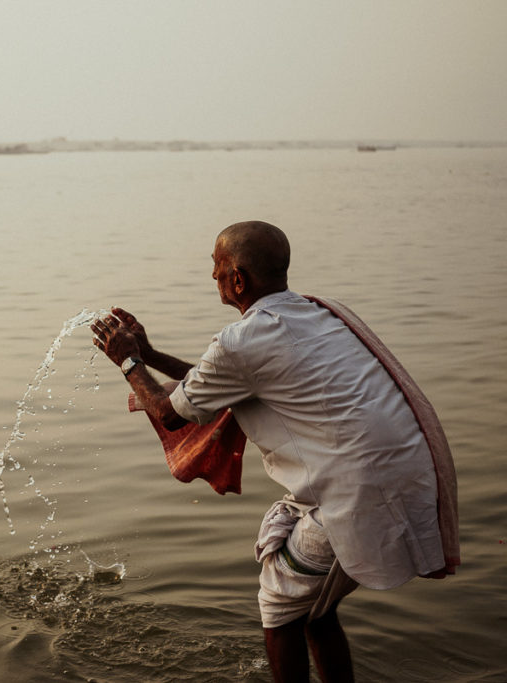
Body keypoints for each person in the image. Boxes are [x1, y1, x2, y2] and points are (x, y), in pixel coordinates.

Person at [90, 221, 456, 683]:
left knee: (279, 610)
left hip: (353, 498)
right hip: (406, 477)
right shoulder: (322, 312)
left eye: (216, 267)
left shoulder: (241, 340)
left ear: (238, 279)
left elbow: (170, 413)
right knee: (315, 613)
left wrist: (128, 361)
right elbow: (224, 384)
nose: (212, 277)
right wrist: (150, 353)